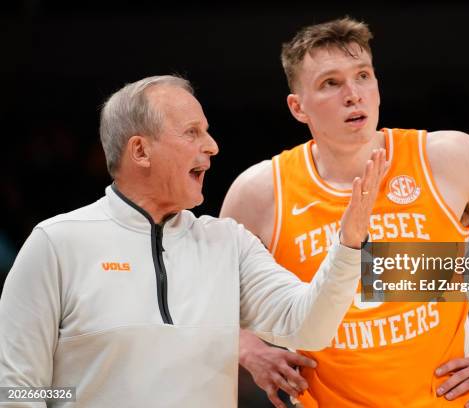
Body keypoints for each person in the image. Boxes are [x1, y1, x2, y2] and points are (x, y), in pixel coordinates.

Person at [220, 18, 469, 408]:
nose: (353, 94)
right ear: (298, 107)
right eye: (331, 83)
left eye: (362, 75)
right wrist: (249, 351)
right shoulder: (260, 192)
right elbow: (207, 296)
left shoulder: (446, 160)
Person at [0, 75, 388, 407]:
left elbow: (309, 327)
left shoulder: (227, 242)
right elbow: (15, 388)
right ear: (140, 150)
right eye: (192, 132)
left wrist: (350, 244)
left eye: (206, 131)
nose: (212, 146)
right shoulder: (56, 244)